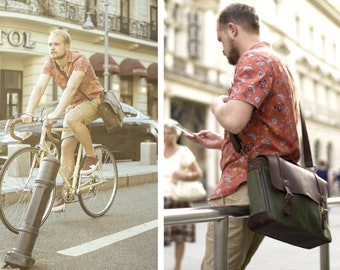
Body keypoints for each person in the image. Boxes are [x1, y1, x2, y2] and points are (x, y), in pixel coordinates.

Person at [188, 3, 301, 269]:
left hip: (241, 186)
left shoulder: (253, 60)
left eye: (221, 40)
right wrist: (223, 143)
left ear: (232, 29)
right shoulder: (279, 62)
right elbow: (267, 132)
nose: (222, 47)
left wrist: (216, 103)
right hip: (264, 189)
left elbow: (233, 119)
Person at [21, 29, 104, 212]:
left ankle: (92, 156)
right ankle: (66, 193)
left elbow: (72, 87)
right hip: (73, 106)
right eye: (50, 44)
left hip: (94, 101)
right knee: (66, 149)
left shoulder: (79, 59)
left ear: (67, 46)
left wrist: (57, 113)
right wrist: (28, 111)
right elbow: (40, 86)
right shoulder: (50, 63)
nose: (52, 48)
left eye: (56, 44)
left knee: (72, 118)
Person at [163, 119, 203, 270]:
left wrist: (184, 176)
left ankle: (177, 267)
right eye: (164, 134)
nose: (166, 136)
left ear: (176, 135)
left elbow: (198, 173)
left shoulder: (184, 152)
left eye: (169, 134)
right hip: (162, 198)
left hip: (178, 197)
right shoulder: (159, 150)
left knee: (179, 237)